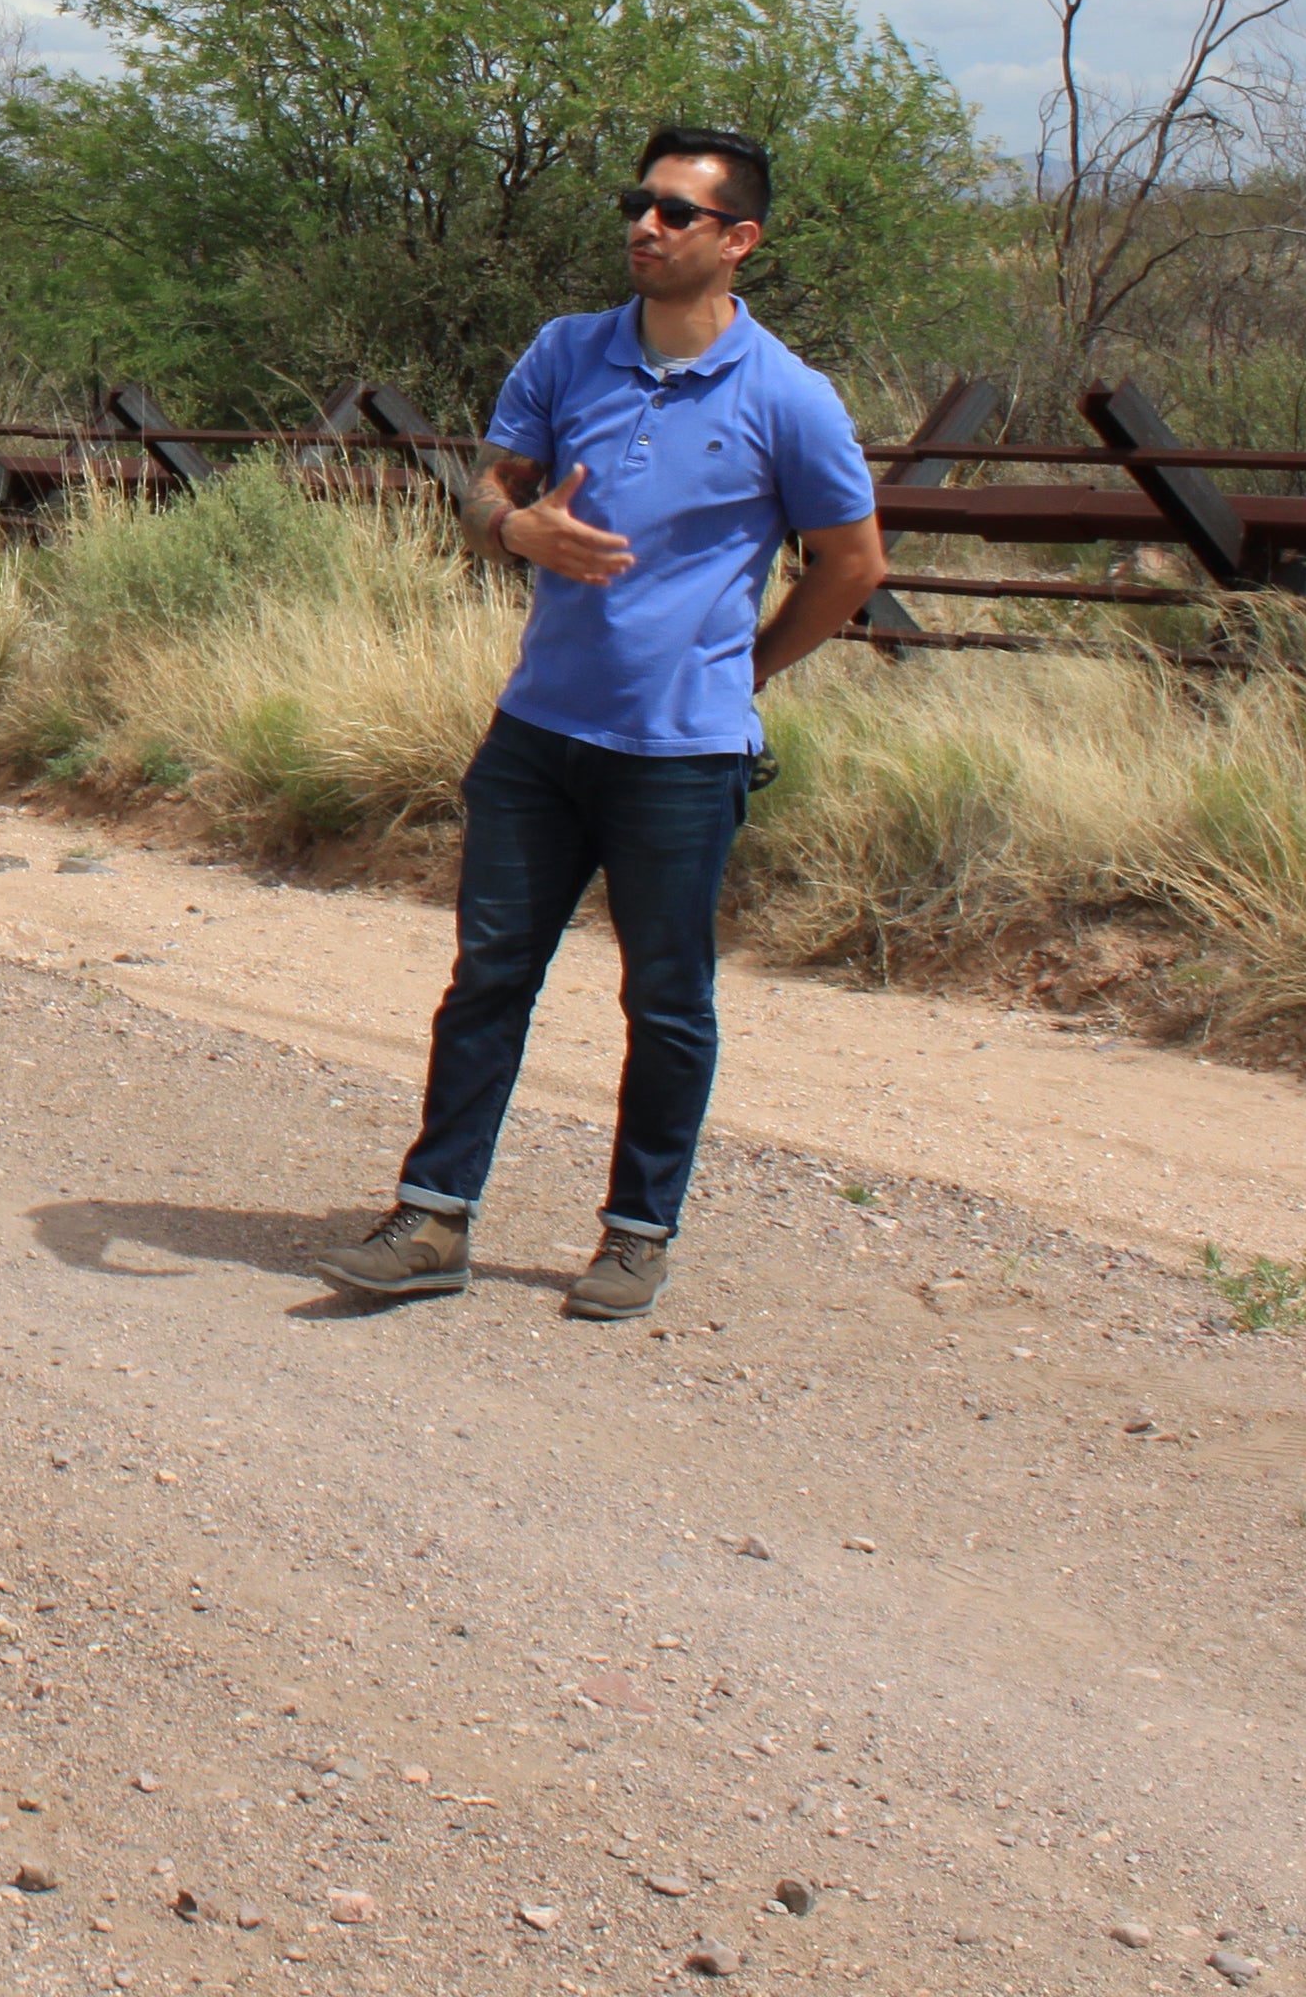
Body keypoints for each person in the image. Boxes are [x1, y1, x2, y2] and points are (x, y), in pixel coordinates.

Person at [308, 124, 888, 1324]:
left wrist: (746, 674)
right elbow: (486, 496)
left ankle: (636, 1233)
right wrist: (517, 532)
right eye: (640, 203)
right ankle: (433, 1219)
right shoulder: (567, 354)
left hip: (682, 754)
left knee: (666, 997)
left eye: (678, 212)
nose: (646, 226)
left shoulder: (789, 397)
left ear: (739, 242)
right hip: (537, 735)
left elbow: (848, 565)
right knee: (489, 978)